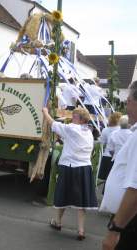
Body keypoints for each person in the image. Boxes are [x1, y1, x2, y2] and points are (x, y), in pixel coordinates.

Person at [42, 107, 97, 240]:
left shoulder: (72, 128)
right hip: (84, 167)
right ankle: (81, 230)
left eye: (74, 116)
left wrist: (45, 112)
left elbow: (53, 124)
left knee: (63, 195)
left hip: (69, 166)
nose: (72, 118)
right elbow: (73, 141)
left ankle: (58, 222)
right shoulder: (88, 131)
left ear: (81, 119)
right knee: (82, 201)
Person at [101, 80, 137, 250]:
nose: (126, 104)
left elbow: (135, 188)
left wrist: (115, 229)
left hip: (129, 222)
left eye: (128, 100)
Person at [98, 112, 122, 182]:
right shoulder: (121, 129)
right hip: (116, 156)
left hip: (107, 156)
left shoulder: (105, 130)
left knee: (106, 179)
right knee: (115, 179)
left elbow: (102, 142)